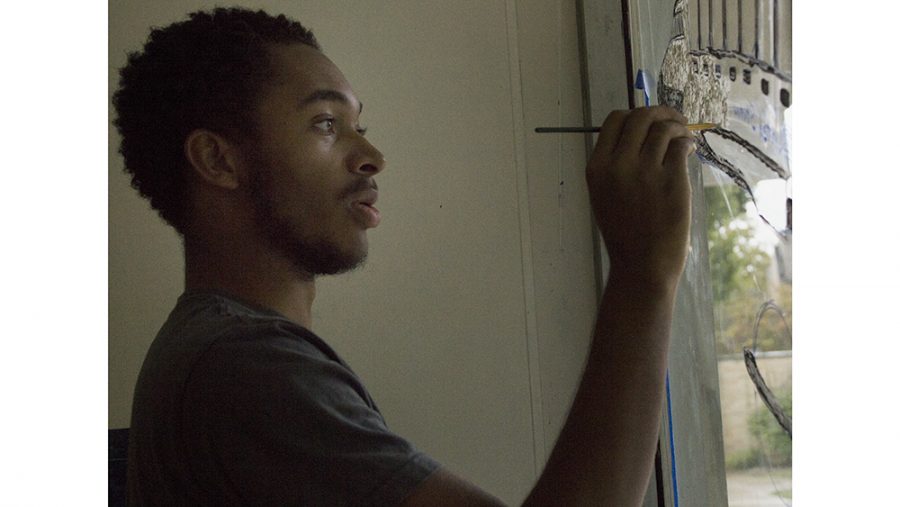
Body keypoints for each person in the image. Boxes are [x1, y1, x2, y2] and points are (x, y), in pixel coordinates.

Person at [114, 7, 695, 506]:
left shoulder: (216, 348)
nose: (371, 156)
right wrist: (643, 273)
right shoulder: (244, 369)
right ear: (217, 161)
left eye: (358, 124)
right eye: (326, 124)